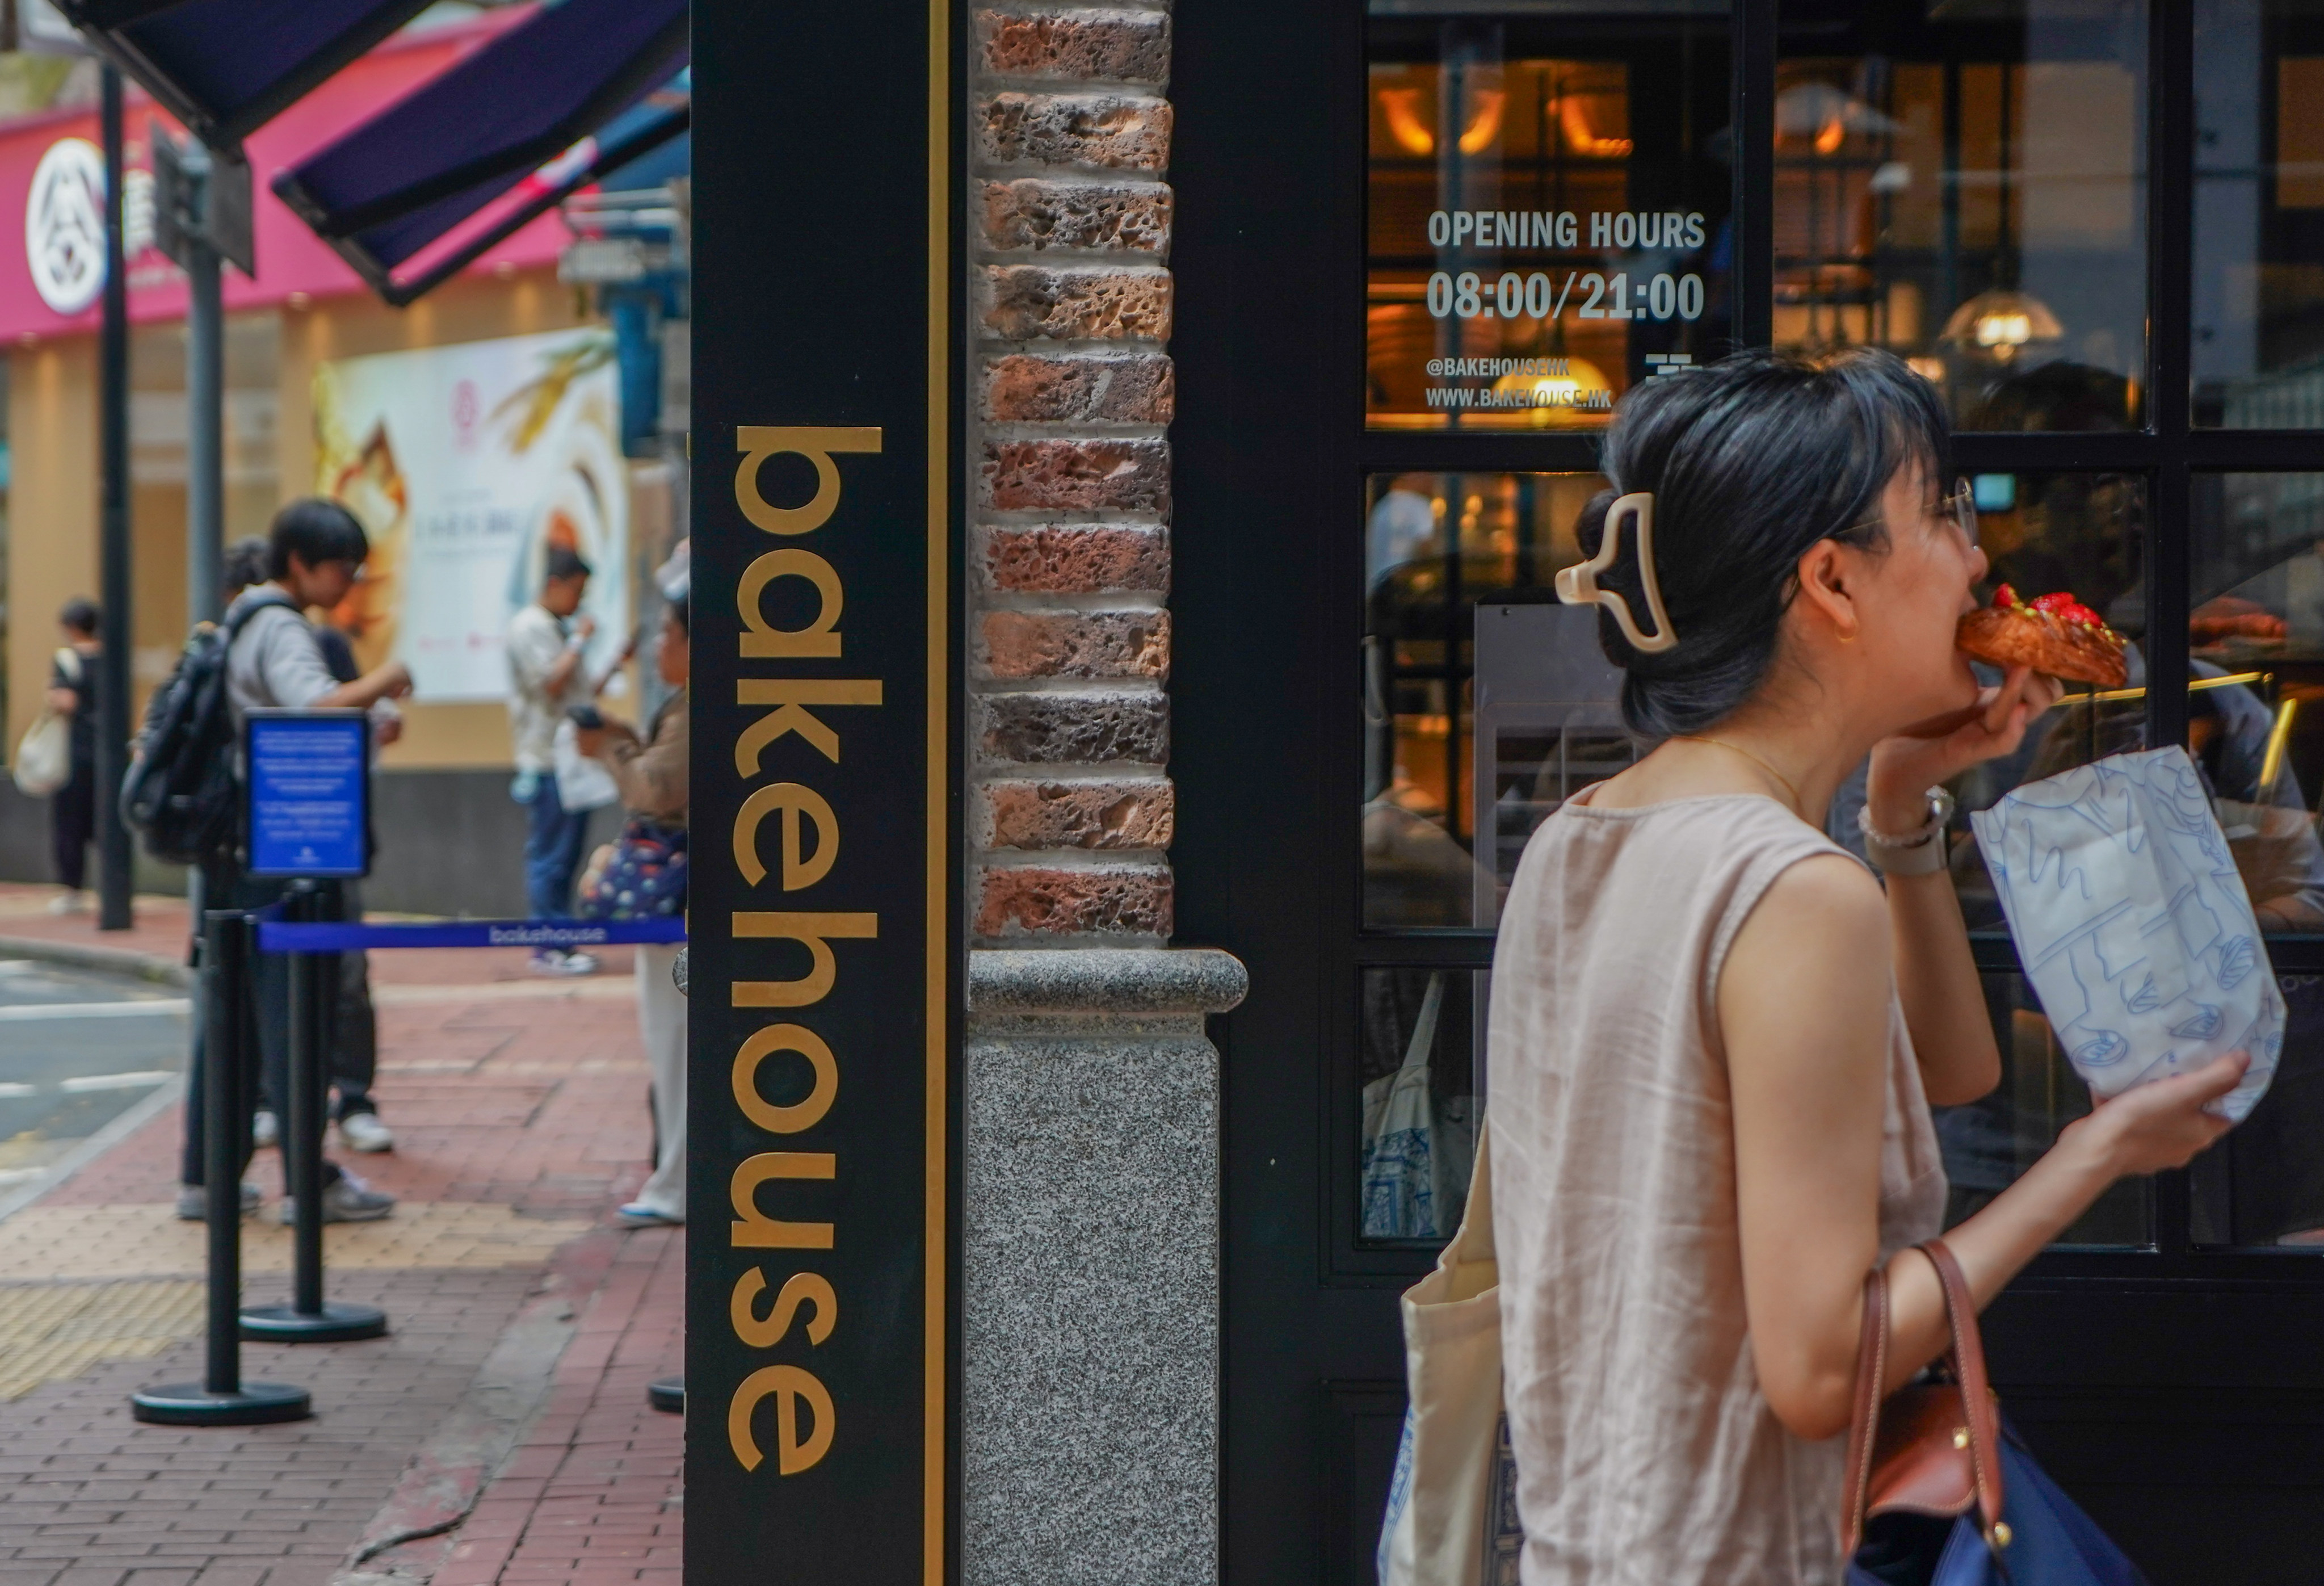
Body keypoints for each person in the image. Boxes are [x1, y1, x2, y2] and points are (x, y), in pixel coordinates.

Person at [1488, 348, 2243, 1583]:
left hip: (1591, 1543)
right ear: (1830, 579)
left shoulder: (1581, 836)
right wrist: (2094, 1154)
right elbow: (1821, 1368)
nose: (1976, 556)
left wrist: (1895, 803)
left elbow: (1947, 1068)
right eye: (1940, 511)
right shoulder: (1791, 890)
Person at [176, 500, 411, 1223]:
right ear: (303, 563)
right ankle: (307, 1186)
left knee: (233, 1017)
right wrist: (388, 679)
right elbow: (314, 707)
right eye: (343, 566)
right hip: (278, 851)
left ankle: (208, 1178)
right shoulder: (279, 623)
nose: (350, 581)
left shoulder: (241, 617)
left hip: (236, 852)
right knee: (294, 1014)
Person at [578, 576, 688, 1228]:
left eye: (667, 632)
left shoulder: (695, 706)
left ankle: (674, 1182)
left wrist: (611, 750)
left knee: (672, 1043)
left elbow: (656, 787)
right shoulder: (687, 704)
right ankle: (672, 1173)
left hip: (677, 905)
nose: (657, 645)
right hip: (683, 905)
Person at [507, 548, 602, 975]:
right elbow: (551, 684)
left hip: (570, 761)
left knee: (565, 855)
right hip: (548, 762)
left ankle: (561, 941)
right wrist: (580, 640)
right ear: (553, 585)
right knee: (550, 855)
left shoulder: (553, 627)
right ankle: (549, 945)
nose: (579, 602)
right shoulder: (530, 627)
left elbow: (574, 690)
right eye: (576, 591)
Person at [44, 598, 102, 914]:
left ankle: (72, 889)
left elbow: (66, 701)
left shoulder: (67, 661)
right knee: (105, 819)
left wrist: (52, 696)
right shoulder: (111, 657)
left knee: (70, 823)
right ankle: (113, 885)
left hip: (77, 751)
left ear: (71, 627)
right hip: (108, 753)